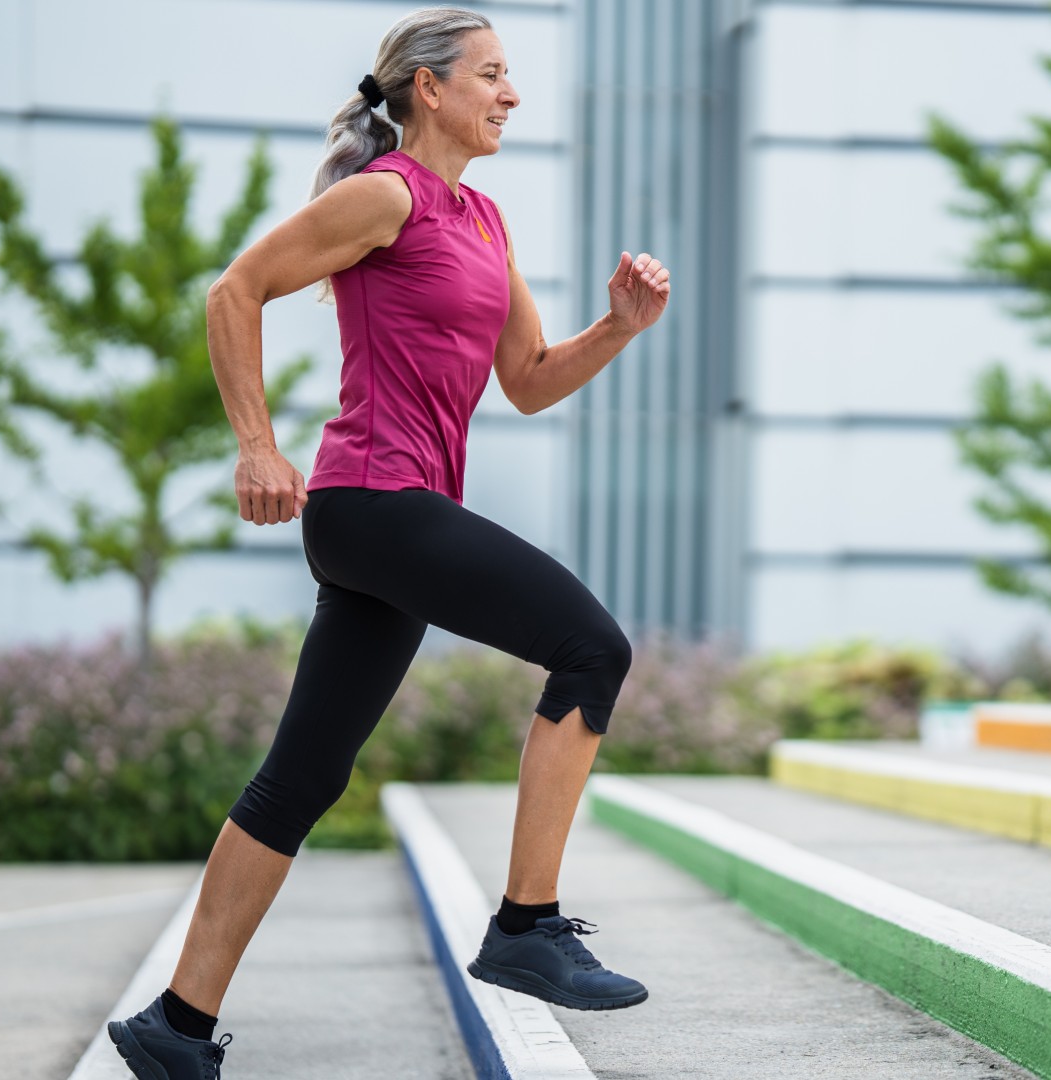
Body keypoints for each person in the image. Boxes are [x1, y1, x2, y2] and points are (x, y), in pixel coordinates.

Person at [104, 8, 670, 1078]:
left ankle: (174, 1029)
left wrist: (619, 330)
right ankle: (527, 926)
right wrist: (258, 448)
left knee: (299, 780)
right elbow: (237, 289)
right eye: (493, 75)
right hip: (372, 500)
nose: (511, 95)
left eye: (512, 77)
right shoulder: (384, 198)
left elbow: (530, 381)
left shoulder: (487, 222)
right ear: (428, 88)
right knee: (593, 648)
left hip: (391, 520)